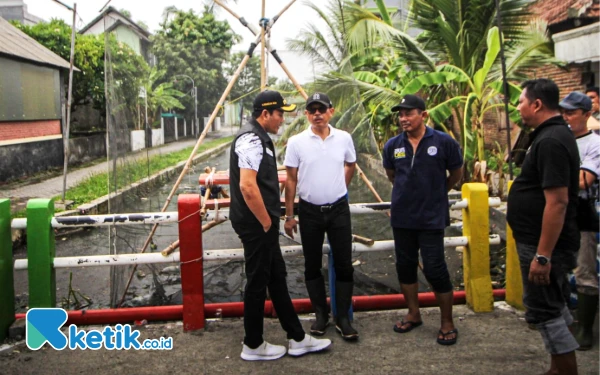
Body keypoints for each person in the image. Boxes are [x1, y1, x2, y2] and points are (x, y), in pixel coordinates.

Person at [229, 90, 331, 361]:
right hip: (256, 223)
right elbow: (247, 186)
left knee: (275, 277)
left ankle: (297, 337)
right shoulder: (251, 138)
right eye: (280, 114)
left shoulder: (259, 137)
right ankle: (252, 344)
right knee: (257, 281)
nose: (282, 120)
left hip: (260, 222)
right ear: (266, 114)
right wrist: (266, 222)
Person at [507, 79, 580, 374]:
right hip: (540, 241)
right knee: (555, 302)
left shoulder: (550, 141)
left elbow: (558, 202)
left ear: (537, 104)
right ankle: (558, 368)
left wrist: (543, 256)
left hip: (544, 245)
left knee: (544, 309)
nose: (518, 107)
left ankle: (565, 370)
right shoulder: (551, 135)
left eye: (521, 101)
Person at [382, 95, 463, 345]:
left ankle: (447, 321)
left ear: (424, 115)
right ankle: (413, 314)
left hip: (431, 218)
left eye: (409, 113)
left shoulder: (443, 142)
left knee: (435, 268)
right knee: (405, 267)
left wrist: (437, 192)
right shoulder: (393, 145)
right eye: (401, 114)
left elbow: (456, 173)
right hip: (403, 217)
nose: (403, 119)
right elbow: (392, 175)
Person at [283, 92, 359, 340]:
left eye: (321, 109)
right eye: (312, 110)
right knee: (312, 264)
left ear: (331, 111)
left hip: (338, 209)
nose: (317, 114)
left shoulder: (344, 138)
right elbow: (291, 179)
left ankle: (343, 318)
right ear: (306, 114)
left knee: (345, 264)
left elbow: (351, 164)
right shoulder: (296, 142)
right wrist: (290, 215)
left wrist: (341, 187)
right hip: (310, 211)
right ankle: (320, 315)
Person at [560, 91, 600, 351]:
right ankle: (565, 319)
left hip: (581, 212)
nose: (566, 117)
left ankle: (586, 328)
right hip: (556, 212)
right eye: (563, 111)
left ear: (587, 115)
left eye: (571, 112)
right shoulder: (557, 139)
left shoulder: (594, 144)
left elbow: (585, 179)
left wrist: (551, 180)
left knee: (584, 270)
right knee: (557, 267)